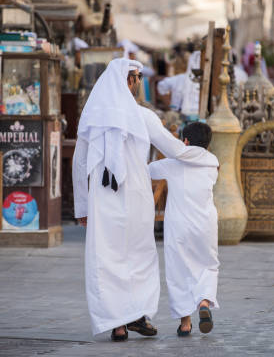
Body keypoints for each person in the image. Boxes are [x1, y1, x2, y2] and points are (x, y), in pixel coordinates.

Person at [72, 58, 202, 341]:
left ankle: (120, 324)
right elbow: (175, 149)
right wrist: (204, 158)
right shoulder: (143, 117)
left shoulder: (93, 116)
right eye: (138, 77)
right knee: (138, 255)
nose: (140, 82)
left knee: (108, 257)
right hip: (136, 195)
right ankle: (136, 315)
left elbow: (79, 163)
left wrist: (82, 205)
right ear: (130, 80)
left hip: (103, 198)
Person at [148, 122, 219, 337]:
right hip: (206, 224)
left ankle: (185, 323)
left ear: (185, 142)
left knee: (179, 270)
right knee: (207, 265)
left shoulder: (174, 163)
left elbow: (148, 171)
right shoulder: (213, 163)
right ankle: (204, 302)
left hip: (179, 224)